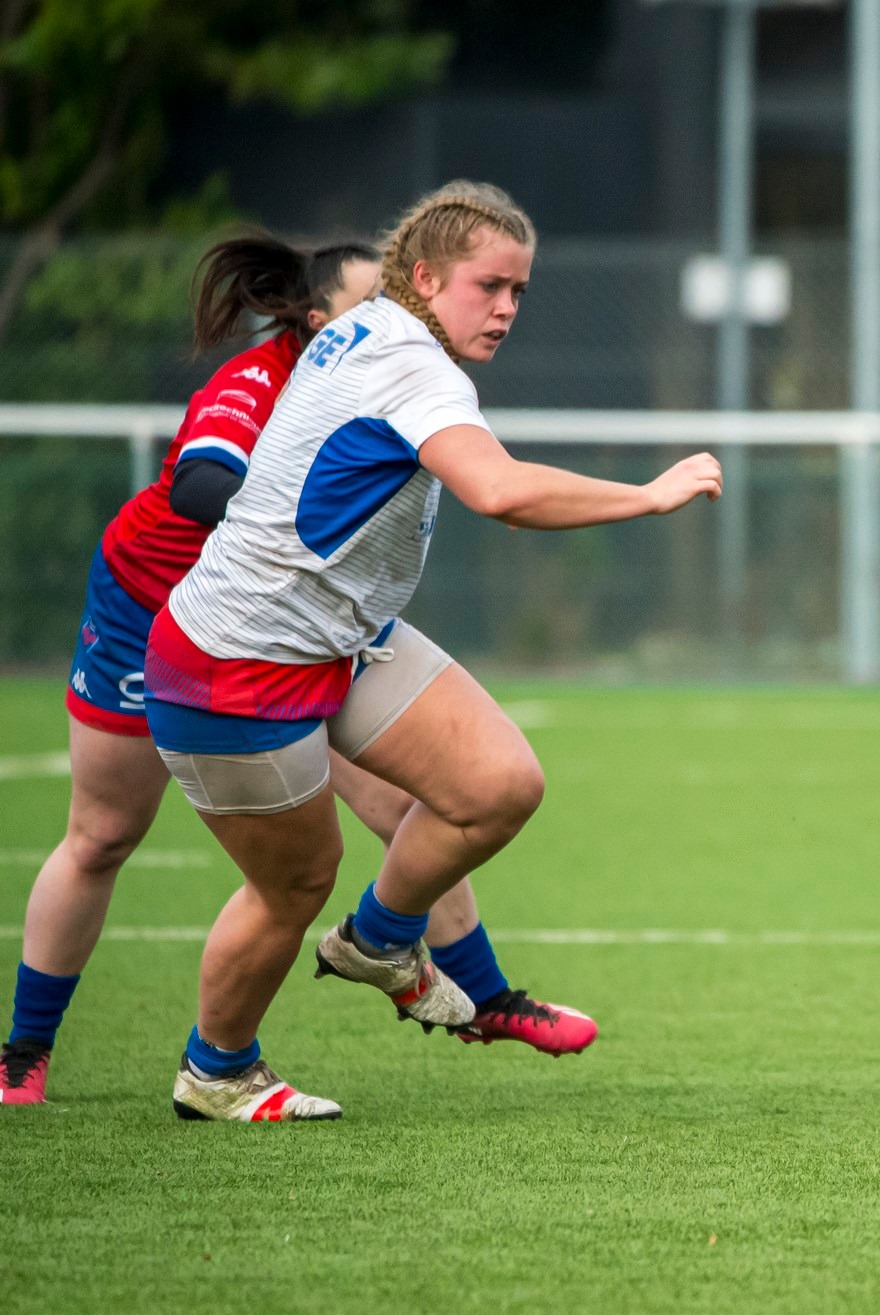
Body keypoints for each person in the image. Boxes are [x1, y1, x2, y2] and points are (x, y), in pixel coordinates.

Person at [143, 181, 722, 1122]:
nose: (505, 308)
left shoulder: (372, 329)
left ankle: (379, 940)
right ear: (423, 276)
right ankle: (217, 1072)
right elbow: (499, 491)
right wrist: (649, 494)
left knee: (498, 784)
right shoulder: (414, 365)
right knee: (292, 883)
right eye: (489, 285)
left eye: (519, 292)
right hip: (236, 659)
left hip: (337, 635)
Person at [0, 234, 595, 1111]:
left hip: (300, 632)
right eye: (374, 303)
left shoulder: (384, 372)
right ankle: (24, 1055)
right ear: (319, 322)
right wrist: (277, 525)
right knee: (103, 835)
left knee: (415, 802)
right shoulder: (264, 380)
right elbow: (203, 484)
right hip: (161, 617)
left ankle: (483, 996)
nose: (395, 319)